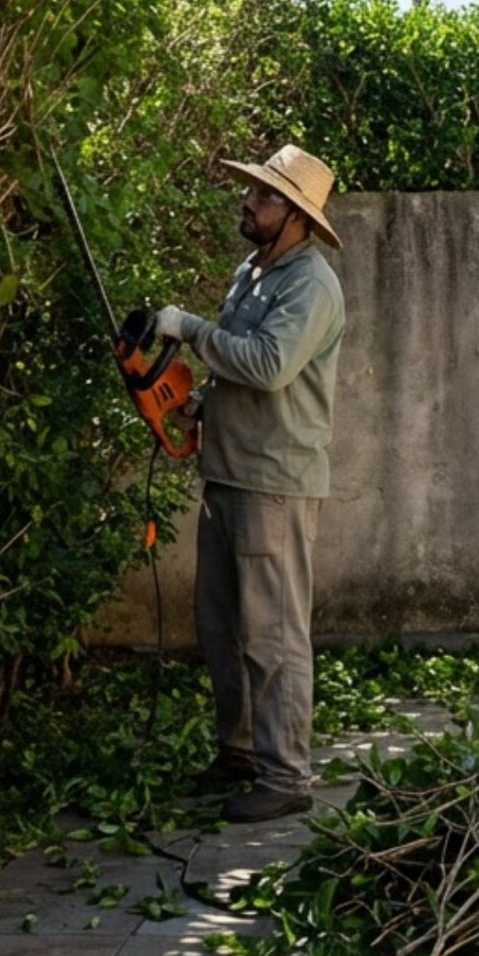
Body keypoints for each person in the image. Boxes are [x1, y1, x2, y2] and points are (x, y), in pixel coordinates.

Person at [152, 145, 346, 822]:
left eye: (263, 197)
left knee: (274, 632)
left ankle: (286, 775)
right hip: (228, 472)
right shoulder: (252, 272)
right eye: (253, 193)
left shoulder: (311, 285)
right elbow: (236, 375)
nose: (249, 202)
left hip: (275, 483)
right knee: (223, 626)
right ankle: (238, 752)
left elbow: (267, 365)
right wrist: (199, 405)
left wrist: (192, 329)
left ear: (295, 215)